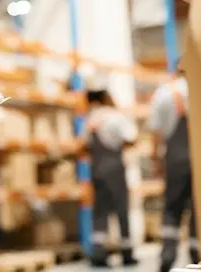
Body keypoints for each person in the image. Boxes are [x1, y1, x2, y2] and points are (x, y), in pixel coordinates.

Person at [148, 65, 199, 272]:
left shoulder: (164, 93)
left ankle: (168, 255)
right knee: (198, 208)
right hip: (199, 157)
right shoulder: (200, 89)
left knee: (172, 207)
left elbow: (155, 132)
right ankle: (198, 256)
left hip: (175, 159)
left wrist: (156, 162)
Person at [85, 88, 139, 268]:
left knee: (100, 211)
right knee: (121, 210)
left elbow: (82, 146)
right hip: (114, 168)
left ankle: (98, 253)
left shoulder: (91, 119)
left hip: (96, 169)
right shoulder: (115, 117)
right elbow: (131, 138)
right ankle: (127, 253)